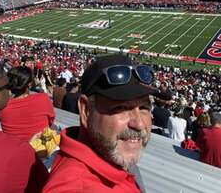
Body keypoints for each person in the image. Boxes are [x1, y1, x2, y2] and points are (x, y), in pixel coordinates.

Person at [43, 54, 172, 192]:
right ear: (86, 110)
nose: (139, 124)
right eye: (121, 108)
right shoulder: (75, 187)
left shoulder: (113, 157)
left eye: (144, 108)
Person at [0, 61, 49, 193]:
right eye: (6, 86)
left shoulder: (5, 110)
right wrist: (28, 149)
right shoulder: (20, 153)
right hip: (36, 153)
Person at [0, 66, 55, 141]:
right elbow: (51, 121)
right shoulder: (43, 98)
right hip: (40, 148)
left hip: (14, 148)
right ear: (30, 84)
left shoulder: (1, 106)